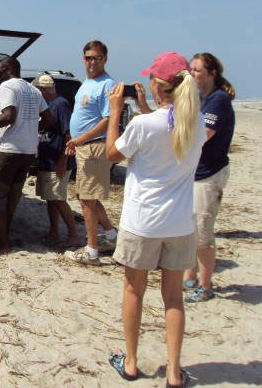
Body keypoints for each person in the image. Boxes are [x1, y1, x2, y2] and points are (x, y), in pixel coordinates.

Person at [105, 52, 204, 388]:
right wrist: (148, 108)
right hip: (179, 225)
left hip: (142, 222)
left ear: (158, 86)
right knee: (173, 298)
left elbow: (112, 154)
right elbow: (167, 129)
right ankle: (174, 372)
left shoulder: (142, 125)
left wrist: (117, 111)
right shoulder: (197, 123)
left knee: (134, 291)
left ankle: (131, 363)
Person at [0, 57, 52, 255]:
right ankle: (4, 237)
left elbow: (9, 116)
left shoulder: (8, 86)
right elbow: (49, 119)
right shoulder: (33, 89)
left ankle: (2, 244)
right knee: (12, 196)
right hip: (28, 151)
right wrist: (30, 129)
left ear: (8, 69)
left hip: (9, 150)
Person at [182, 53, 235, 302]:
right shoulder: (200, 98)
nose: (192, 74)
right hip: (195, 173)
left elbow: (202, 135)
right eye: (190, 70)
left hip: (209, 175)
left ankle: (205, 286)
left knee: (203, 233)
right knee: (190, 228)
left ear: (212, 73)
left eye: (198, 70)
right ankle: (189, 276)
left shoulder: (218, 100)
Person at [64, 40, 118, 266]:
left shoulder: (107, 84)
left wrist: (80, 139)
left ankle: (92, 250)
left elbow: (108, 120)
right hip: (84, 147)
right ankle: (112, 236)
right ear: (82, 59)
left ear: (105, 59)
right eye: (88, 57)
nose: (92, 62)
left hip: (94, 147)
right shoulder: (87, 83)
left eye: (97, 58)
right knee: (88, 197)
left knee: (87, 200)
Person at [32, 74, 78, 247]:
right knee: (50, 198)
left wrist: (63, 161)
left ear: (42, 90)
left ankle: (73, 234)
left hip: (57, 160)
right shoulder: (48, 105)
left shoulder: (60, 104)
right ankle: (53, 232)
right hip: (47, 159)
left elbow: (68, 133)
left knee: (58, 198)